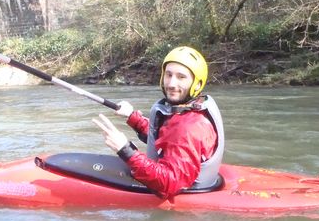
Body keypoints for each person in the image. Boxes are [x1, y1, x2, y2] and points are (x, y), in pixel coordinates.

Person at [92, 46, 225, 201]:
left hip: (183, 193)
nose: (171, 83)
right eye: (168, 75)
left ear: (196, 83)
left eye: (181, 77)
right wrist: (132, 117)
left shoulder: (188, 127)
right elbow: (167, 137)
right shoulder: (190, 110)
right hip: (200, 179)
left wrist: (125, 149)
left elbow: (169, 184)